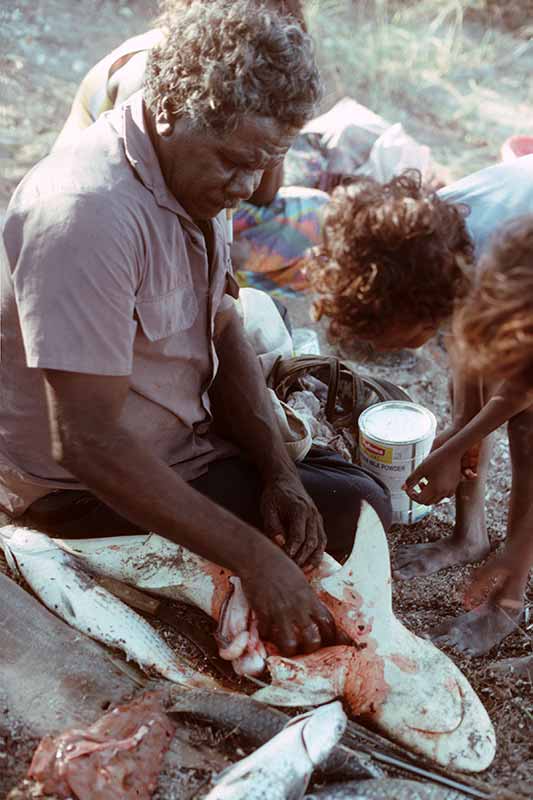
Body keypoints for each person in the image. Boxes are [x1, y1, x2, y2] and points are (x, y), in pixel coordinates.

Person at [0, 0, 391, 657]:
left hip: (181, 434)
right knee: (331, 541)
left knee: (353, 503)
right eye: (234, 162)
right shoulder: (84, 213)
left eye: (263, 163)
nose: (246, 187)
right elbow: (87, 445)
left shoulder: (196, 175)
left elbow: (221, 323)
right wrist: (253, 559)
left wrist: (277, 473)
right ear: (168, 109)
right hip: (82, 487)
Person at [306, 157, 533, 655]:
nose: (386, 350)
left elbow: (523, 392)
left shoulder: (505, 261)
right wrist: (457, 442)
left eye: (387, 337)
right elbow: (470, 359)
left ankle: (508, 605)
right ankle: (468, 538)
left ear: (412, 304)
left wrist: (459, 446)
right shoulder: (430, 244)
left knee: (527, 434)